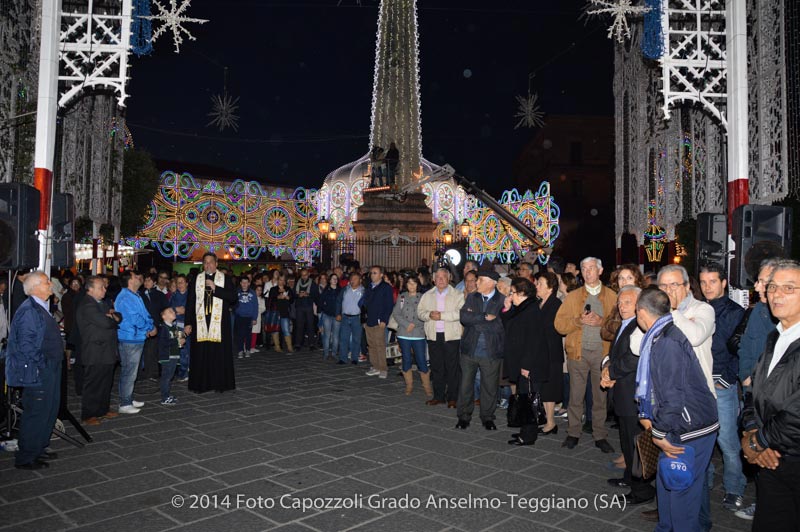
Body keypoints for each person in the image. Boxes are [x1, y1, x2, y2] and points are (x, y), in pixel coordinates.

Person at [635, 287, 719, 532]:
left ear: (641, 312)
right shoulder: (660, 334)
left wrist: (659, 434)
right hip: (679, 422)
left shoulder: (667, 341)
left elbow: (672, 396)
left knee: (682, 493)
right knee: (668, 484)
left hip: (689, 426)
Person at [740, 259, 800, 530]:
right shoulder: (775, 337)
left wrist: (757, 443)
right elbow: (755, 390)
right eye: (773, 286)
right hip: (770, 460)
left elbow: (796, 414)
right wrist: (752, 429)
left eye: (789, 288)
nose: (776, 294)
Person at [732, 258, 779, 521]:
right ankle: (764, 503)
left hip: (772, 399)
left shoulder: (781, 316)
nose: (757, 286)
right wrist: (746, 376)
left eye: (763, 281)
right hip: (752, 393)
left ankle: (769, 507)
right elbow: (745, 346)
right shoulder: (759, 311)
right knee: (758, 451)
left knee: (772, 453)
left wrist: (755, 377)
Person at [554, 257, 617, 453]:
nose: (588, 272)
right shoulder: (573, 297)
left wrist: (602, 322)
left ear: (600, 271)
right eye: (584, 269)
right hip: (578, 352)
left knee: (600, 398)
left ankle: (600, 434)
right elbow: (559, 325)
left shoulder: (612, 296)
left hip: (602, 353)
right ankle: (573, 433)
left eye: (591, 268)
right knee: (575, 396)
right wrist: (577, 321)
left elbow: (620, 325)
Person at [600, 286, 656, 505]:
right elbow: (612, 352)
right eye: (620, 302)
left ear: (639, 305)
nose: (622, 307)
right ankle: (629, 478)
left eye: (627, 302)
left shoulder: (640, 326)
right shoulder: (625, 324)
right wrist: (607, 368)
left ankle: (641, 490)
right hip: (622, 391)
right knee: (626, 440)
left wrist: (611, 372)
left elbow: (634, 359)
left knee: (636, 443)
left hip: (633, 394)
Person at [698, 264, 746, 513]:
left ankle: (735, 488)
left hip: (721, 383)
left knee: (727, 441)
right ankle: (704, 481)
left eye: (713, 281)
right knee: (703, 437)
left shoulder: (735, 312)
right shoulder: (696, 308)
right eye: (704, 281)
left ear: (724, 283)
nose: (707, 286)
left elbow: (740, 350)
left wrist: (726, 379)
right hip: (700, 384)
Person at [5, 272, 63, 469]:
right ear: (36, 287)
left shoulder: (41, 307)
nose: (50, 285)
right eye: (47, 282)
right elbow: (27, 345)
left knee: (49, 409)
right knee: (36, 412)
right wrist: (42, 364)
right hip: (40, 370)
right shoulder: (29, 310)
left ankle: (39, 448)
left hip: (50, 367)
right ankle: (27, 457)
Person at [455, 270, 505, 431]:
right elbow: (464, 317)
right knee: (465, 386)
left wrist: (475, 318)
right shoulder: (472, 297)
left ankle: (488, 417)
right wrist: (483, 317)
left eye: (480, 280)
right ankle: (463, 416)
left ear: (492, 282)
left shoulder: (502, 301)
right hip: (470, 350)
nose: (476, 283)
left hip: (491, 352)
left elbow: (500, 326)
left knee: (490, 387)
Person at [184, 253, 238, 393]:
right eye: (205, 262)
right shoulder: (196, 278)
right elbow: (190, 302)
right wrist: (187, 322)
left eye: (211, 262)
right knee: (201, 354)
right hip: (200, 322)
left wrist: (216, 288)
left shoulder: (224, 278)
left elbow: (233, 298)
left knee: (219, 354)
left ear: (216, 264)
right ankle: (201, 384)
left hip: (220, 324)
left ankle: (219, 384)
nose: (208, 265)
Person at [502, 276, 545, 445]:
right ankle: (524, 431)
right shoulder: (522, 308)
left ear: (522, 293)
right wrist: (506, 309)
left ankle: (528, 436)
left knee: (529, 399)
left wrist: (527, 365)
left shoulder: (532, 310)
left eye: (512, 293)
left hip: (529, 364)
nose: (511, 296)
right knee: (524, 395)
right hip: (520, 360)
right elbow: (509, 323)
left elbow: (534, 342)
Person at [76, 276, 121, 426]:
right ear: (90, 289)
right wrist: (111, 318)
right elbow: (106, 322)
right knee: (93, 383)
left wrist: (111, 317)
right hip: (95, 350)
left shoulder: (101, 303)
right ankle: (88, 414)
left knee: (106, 382)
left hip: (106, 349)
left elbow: (118, 316)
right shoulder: (87, 305)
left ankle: (102, 409)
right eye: (101, 287)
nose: (104, 289)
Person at [418, 267, 464, 407]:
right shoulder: (428, 295)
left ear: (449, 278)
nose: (441, 279)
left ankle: (452, 397)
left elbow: (460, 313)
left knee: (452, 368)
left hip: (451, 336)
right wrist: (429, 315)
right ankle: (438, 396)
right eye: (438, 277)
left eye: (444, 276)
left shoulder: (457, 294)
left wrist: (442, 316)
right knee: (437, 367)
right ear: (433, 279)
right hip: (433, 335)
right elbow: (420, 312)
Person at [115, 271, 155, 413]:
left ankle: (128, 398)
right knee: (129, 371)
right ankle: (125, 403)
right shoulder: (126, 297)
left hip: (137, 337)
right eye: (135, 276)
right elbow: (134, 318)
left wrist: (151, 325)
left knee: (132, 371)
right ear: (130, 281)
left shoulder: (135, 295)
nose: (139, 278)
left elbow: (145, 313)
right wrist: (148, 327)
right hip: (130, 338)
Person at [533, 272, 564, 434]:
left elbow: (549, 328)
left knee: (550, 388)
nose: (536, 286)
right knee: (543, 387)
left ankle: (551, 422)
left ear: (550, 288)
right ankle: (548, 420)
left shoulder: (555, 304)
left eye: (540, 284)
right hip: (541, 352)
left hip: (551, 352)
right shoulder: (539, 303)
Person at [390, 275, 430, 397]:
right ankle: (409, 386)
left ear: (418, 284)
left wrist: (414, 324)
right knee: (406, 359)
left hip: (418, 333)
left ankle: (427, 387)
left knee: (421, 360)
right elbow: (396, 313)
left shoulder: (423, 297)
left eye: (414, 283)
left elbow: (426, 313)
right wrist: (407, 324)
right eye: (409, 283)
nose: (411, 286)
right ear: (406, 285)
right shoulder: (402, 297)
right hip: (404, 333)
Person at [363, 266, 394, 379]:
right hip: (369, 320)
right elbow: (365, 304)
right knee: (371, 345)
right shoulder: (369, 287)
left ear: (381, 275)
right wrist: (364, 319)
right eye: (371, 273)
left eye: (375, 273)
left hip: (379, 320)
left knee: (380, 345)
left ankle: (383, 368)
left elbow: (389, 305)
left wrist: (384, 320)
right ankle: (375, 366)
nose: (372, 275)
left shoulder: (385, 288)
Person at [140, 273, 168, 380]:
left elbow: (164, 309)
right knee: (143, 350)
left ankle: (153, 372)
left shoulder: (159, 295)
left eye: (149, 280)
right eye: (145, 280)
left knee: (153, 350)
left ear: (154, 282)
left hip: (155, 326)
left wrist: (160, 322)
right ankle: (144, 372)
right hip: (142, 326)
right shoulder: (140, 294)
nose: (146, 282)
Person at [158, 307, 185, 406]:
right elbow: (163, 342)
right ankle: (164, 397)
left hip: (174, 355)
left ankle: (167, 395)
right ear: (164, 316)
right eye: (170, 311)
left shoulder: (174, 327)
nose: (173, 312)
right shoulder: (163, 328)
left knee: (170, 377)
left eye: (173, 311)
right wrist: (176, 341)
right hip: (167, 356)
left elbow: (178, 340)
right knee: (166, 377)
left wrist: (182, 340)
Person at [336, 271, 364, 364]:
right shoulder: (345, 290)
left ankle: (354, 358)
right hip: (345, 317)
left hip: (357, 318)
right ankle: (343, 358)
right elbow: (338, 301)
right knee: (344, 338)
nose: (352, 280)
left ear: (360, 280)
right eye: (351, 279)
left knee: (356, 339)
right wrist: (338, 313)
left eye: (355, 279)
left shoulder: (364, 291)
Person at [267, 273, 295, 353]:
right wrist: (277, 297)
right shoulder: (273, 289)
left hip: (285, 311)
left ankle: (289, 347)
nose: (282, 282)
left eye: (283, 280)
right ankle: (277, 347)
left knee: (286, 329)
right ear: (277, 280)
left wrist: (288, 297)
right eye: (280, 280)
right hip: (275, 312)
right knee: (275, 330)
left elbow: (292, 300)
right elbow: (270, 301)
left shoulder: (288, 289)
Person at [170, 274, 190, 381]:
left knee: (188, 349)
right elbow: (169, 309)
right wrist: (176, 309)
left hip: (187, 326)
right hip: (176, 326)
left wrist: (182, 310)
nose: (180, 284)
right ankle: (182, 372)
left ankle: (187, 370)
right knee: (180, 350)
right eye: (178, 282)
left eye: (182, 282)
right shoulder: (174, 295)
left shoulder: (191, 295)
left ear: (187, 283)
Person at [293, 268, 319, 351]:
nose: (303, 276)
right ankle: (298, 343)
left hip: (308, 305)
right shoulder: (297, 283)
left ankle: (311, 343)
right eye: (302, 275)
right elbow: (294, 293)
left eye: (305, 275)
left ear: (308, 274)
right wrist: (298, 295)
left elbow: (315, 294)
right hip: (300, 306)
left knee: (310, 325)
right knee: (299, 326)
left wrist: (308, 294)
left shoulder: (313, 283)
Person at [233, 276, 258, 359]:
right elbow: (234, 303)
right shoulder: (237, 292)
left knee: (248, 334)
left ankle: (247, 349)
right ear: (240, 283)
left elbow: (255, 306)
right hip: (239, 316)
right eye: (242, 282)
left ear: (249, 283)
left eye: (246, 282)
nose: (244, 284)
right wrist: (235, 311)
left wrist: (254, 318)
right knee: (239, 334)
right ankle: (240, 350)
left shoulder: (253, 293)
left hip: (249, 317)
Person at [318, 272, 341, 361]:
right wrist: (323, 310)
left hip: (337, 315)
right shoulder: (326, 290)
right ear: (330, 280)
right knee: (326, 335)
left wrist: (340, 313)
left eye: (336, 278)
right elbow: (321, 302)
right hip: (327, 315)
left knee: (335, 336)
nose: (335, 280)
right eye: (333, 278)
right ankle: (326, 353)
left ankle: (334, 353)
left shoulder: (340, 290)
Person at [251, 283, 266, 353]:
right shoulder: (251, 297)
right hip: (250, 316)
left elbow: (263, 308)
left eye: (260, 290)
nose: (259, 291)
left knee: (255, 333)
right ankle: (246, 346)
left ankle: (252, 347)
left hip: (258, 317)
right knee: (248, 332)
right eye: (258, 290)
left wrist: (257, 309)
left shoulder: (262, 299)